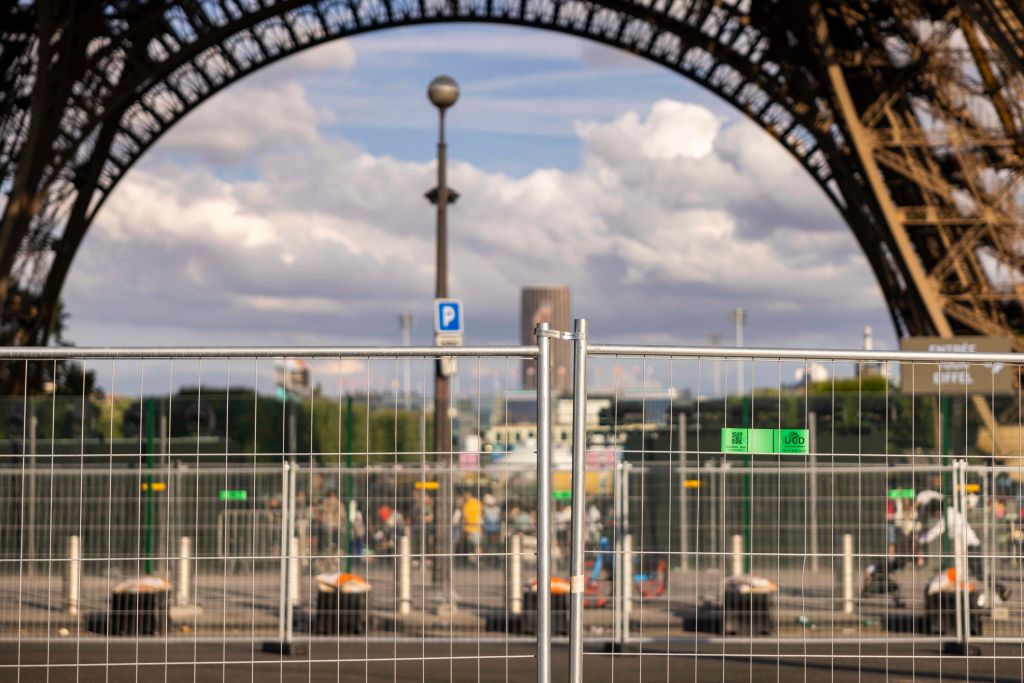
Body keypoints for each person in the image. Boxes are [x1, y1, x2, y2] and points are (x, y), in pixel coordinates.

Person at [917, 490, 1011, 601]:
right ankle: (946, 595)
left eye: (932, 512)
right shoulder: (949, 513)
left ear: (936, 509)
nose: (933, 515)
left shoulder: (949, 514)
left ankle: (1001, 589)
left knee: (977, 573)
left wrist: (920, 540)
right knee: (949, 570)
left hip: (969, 546)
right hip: (964, 547)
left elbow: (937, 530)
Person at [462, 492, 483, 561]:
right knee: (476, 545)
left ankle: (476, 560)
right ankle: (477, 560)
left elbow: (465, 516)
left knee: (473, 546)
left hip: (471, 528)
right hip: (475, 527)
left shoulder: (467, 504)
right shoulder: (477, 502)